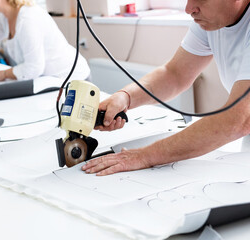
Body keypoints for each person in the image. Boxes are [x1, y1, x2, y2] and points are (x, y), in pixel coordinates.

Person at [82, 0, 250, 176]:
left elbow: (237, 119)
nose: (188, 9)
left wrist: (144, 156)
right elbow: (175, 74)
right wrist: (125, 97)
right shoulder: (211, 20)